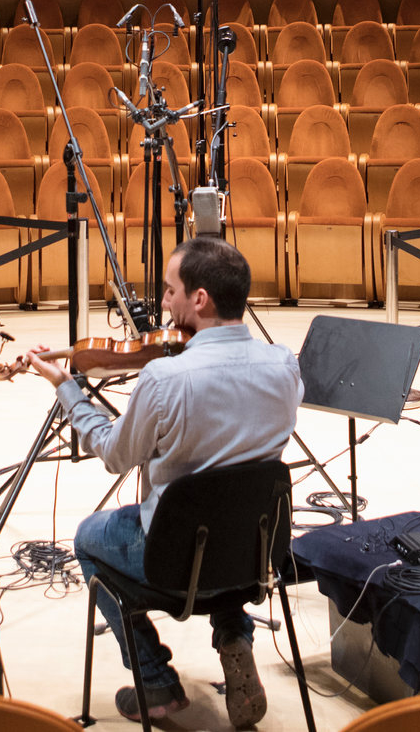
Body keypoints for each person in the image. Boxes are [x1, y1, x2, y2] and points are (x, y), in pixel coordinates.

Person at [23, 236, 301, 727]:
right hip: (255, 555)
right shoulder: (285, 367)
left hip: (176, 559)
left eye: (170, 291)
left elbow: (112, 453)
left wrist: (66, 387)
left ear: (200, 299)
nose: (164, 302)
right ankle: (235, 636)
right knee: (229, 510)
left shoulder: (164, 380)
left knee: (88, 538)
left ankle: (155, 682)